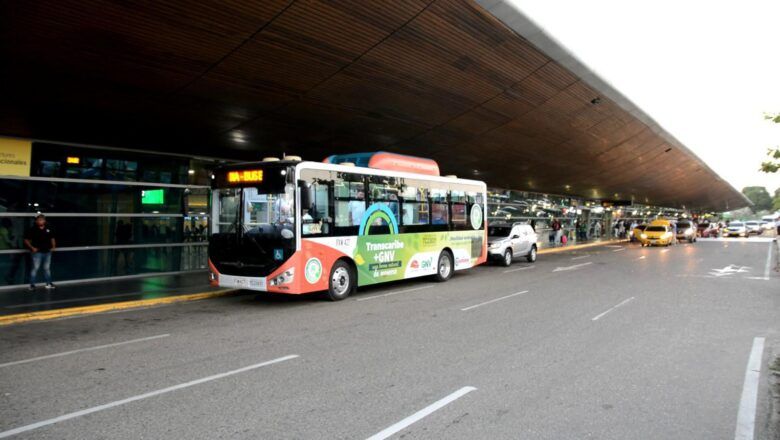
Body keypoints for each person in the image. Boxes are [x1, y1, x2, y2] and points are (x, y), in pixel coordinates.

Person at [23, 214, 56, 290]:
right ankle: (32, 285)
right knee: (35, 268)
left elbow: (52, 238)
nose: (41, 221)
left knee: (47, 268)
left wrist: (53, 246)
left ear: (44, 221)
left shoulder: (48, 229)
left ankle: (48, 284)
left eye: (42, 220)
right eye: (39, 220)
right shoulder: (32, 229)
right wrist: (32, 248)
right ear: (36, 221)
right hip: (37, 252)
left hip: (47, 252)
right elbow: (26, 240)